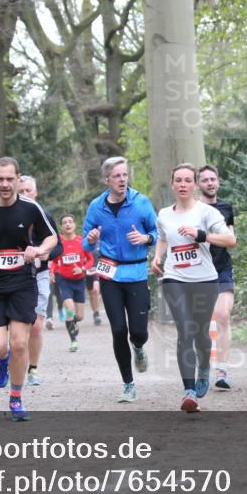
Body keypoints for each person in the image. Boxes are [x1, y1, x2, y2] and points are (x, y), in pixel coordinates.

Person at [0, 157, 57, 421]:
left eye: (10, 179)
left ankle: (16, 398)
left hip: (22, 283)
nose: (5, 184)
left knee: (19, 343)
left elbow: (52, 237)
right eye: (0, 179)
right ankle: (1, 359)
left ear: (18, 179)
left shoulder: (30, 208)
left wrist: (39, 250)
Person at [152, 163, 236, 412]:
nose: (183, 185)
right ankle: (188, 391)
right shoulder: (164, 214)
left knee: (200, 334)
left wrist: (202, 236)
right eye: (178, 180)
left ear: (195, 184)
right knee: (185, 332)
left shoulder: (207, 213)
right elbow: (163, 237)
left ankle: (205, 368)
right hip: (174, 279)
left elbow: (231, 240)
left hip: (205, 280)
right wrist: (158, 257)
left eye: (188, 180)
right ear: (172, 184)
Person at [82, 156, 158, 403]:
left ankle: (138, 347)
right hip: (110, 273)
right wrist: (91, 239)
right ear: (107, 180)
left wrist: (146, 239)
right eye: (117, 176)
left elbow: (157, 233)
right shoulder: (96, 206)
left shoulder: (141, 203)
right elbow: (85, 241)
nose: (122, 179)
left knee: (138, 332)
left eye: (125, 175)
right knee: (117, 330)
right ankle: (128, 385)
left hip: (136, 272)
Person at [17, 175, 62, 387]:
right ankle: (13, 362)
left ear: (36, 193)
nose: (25, 195)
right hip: (14, 276)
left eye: (28, 191)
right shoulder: (7, 216)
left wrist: (46, 254)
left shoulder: (45, 216)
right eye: (21, 191)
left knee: (35, 326)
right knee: (17, 326)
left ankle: (33, 369)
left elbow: (58, 246)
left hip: (40, 275)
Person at [198, 164, 237, 389]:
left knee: (222, 315)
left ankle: (221, 371)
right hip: (198, 271)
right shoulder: (192, 210)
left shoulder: (226, 207)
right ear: (198, 185)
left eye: (213, 179)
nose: (210, 183)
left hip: (222, 268)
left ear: (218, 182)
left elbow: (231, 239)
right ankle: (202, 366)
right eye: (205, 180)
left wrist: (206, 236)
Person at [50, 214, 93, 352]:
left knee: (79, 316)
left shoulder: (82, 242)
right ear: (61, 227)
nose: (68, 224)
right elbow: (55, 261)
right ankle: (73, 340)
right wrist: (51, 271)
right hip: (64, 280)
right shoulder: (59, 243)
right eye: (64, 222)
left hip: (79, 280)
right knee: (69, 308)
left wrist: (82, 268)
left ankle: (72, 322)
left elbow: (91, 260)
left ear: (74, 225)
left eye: (70, 222)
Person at [85, 247, 103, 325]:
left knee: (96, 291)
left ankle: (97, 313)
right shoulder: (84, 243)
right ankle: (95, 312)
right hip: (88, 271)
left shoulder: (101, 242)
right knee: (91, 294)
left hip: (99, 269)